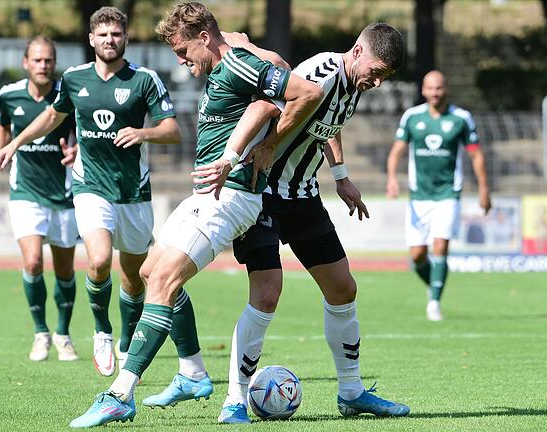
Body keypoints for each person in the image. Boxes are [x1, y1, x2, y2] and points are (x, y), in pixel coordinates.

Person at [68, 2, 324, 428]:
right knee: (150, 271)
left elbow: (306, 94)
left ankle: (120, 395)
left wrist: (264, 147)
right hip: (206, 194)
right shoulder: (232, 63)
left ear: (204, 37)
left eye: (183, 51)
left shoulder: (238, 64)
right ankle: (191, 372)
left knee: (164, 280)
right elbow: (268, 91)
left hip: (232, 197)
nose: (182, 61)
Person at [199, 24, 410, 424]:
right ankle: (234, 400)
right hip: (261, 191)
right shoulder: (323, 72)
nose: (378, 82)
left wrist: (341, 174)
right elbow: (274, 103)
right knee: (267, 293)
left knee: (343, 288)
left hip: (302, 195)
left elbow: (327, 123)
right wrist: (262, 147)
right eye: (377, 71)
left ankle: (351, 393)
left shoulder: (353, 84)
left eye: (386, 77)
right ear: (356, 50)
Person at [0, 7, 181, 376]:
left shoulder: (145, 80)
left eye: (116, 34)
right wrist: (13, 143)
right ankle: (102, 331)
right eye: (103, 35)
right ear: (91, 39)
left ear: (125, 39)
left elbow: (173, 131)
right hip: (89, 185)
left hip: (132, 190)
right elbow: (52, 116)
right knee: (97, 261)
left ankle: (128, 341)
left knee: (132, 277)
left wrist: (144, 133)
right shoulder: (74, 79)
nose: (109, 40)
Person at [0, 36, 79, 362]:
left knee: (64, 270)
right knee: (33, 261)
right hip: (25, 191)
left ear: (54, 62)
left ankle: (63, 334)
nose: (43, 65)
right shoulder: (9, 95)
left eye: (48, 59)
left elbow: (81, 131)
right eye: (37, 60)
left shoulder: (68, 94)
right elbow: (3, 128)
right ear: (26, 63)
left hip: (63, 192)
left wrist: (76, 150)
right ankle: (40, 333)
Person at [386, 70, 491, 321]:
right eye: (430, 88)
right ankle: (433, 283)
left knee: (440, 245)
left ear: (446, 89)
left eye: (439, 88)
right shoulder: (412, 117)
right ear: (423, 90)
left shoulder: (461, 118)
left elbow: (476, 154)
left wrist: (484, 189)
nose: (435, 93)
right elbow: (396, 151)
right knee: (417, 255)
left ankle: (434, 302)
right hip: (418, 196)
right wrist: (392, 178)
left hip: (448, 194)